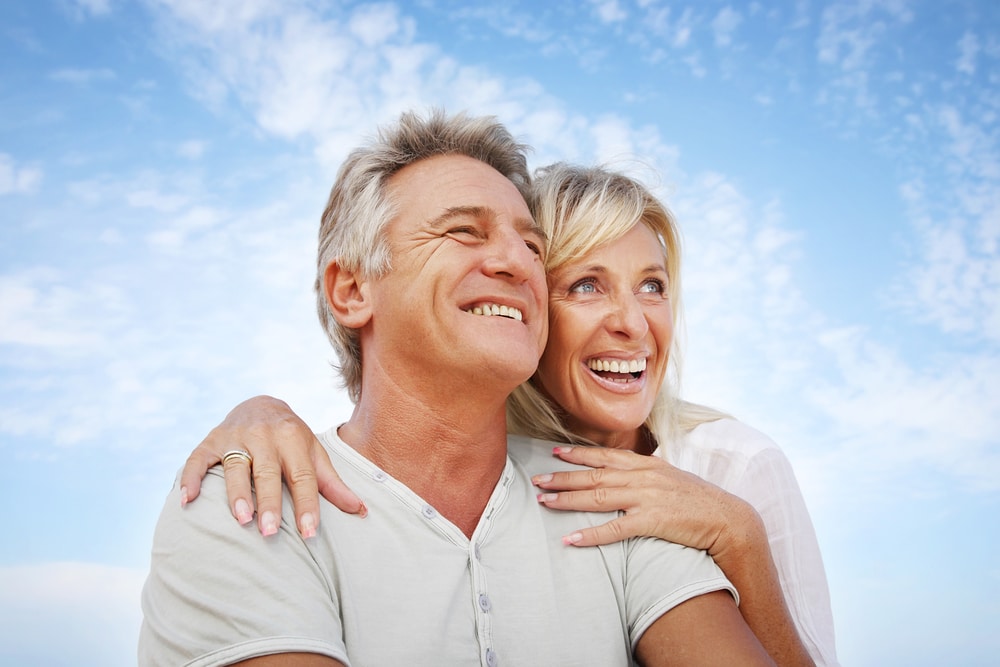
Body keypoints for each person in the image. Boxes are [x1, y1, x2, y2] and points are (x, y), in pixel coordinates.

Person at [139, 109, 776, 666]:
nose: (514, 262)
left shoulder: (616, 496)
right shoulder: (251, 493)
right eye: (464, 231)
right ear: (352, 289)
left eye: (531, 245)